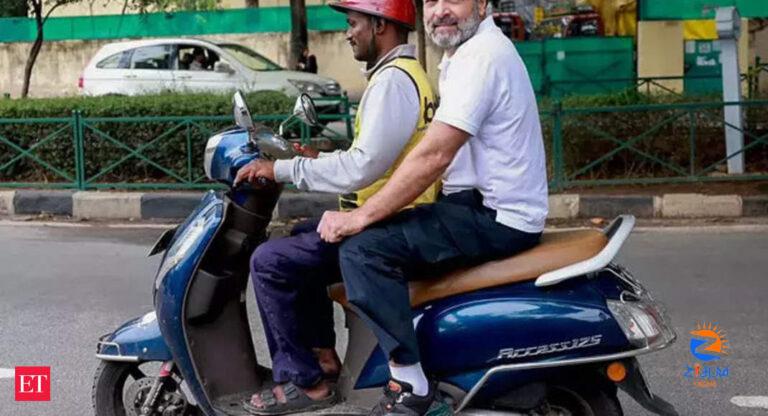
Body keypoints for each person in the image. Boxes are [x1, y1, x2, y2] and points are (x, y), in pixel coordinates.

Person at [315, 0, 549, 414]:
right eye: (431, 2)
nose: (440, 11)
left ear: (482, 4)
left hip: (493, 215)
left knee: (363, 250)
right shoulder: (462, 54)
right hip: (476, 206)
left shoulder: (481, 57)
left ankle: (411, 383)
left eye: (453, 0)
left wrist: (361, 216)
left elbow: (435, 156)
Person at [234, 0, 439, 413]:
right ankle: (322, 355)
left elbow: (361, 168)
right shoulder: (403, 75)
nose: (348, 33)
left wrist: (283, 170)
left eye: (353, 23)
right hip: (393, 216)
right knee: (296, 236)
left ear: (381, 26)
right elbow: (374, 155)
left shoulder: (392, 82)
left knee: (269, 261)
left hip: (386, 226)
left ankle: (303, 382)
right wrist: (316, 157)